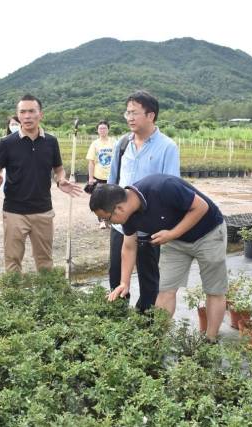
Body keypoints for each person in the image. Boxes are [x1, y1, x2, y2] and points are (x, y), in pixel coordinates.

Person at [90, 176, 227, 339]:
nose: (108, 223)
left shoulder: (163, 188)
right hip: (175, 240)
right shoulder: (128, 216)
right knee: (165, 290)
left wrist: (172, 233)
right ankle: (157, 341)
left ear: (119, 208)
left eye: (107, 218)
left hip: (208, 233)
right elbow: (129, 247)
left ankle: (210, 340)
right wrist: (124, 283)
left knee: (214, 290)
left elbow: (201, 207)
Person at [0, 94, 82, 273]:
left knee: (45, 261)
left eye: (31, 111)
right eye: (23, 112)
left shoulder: (51, 142)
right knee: (12, 261)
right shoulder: (7, 143)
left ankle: (46, 299)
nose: (27, 116)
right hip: (14, 212)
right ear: (18, 115)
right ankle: (13, 299)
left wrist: (61, 180)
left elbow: (59, 169)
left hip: (43, 211)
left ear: (40, 114)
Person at [107, 91, 180, 311]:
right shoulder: (122, 145)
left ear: (151, 115)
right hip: (121, 226)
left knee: (149, 280)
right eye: (127, 112)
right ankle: (117, 317)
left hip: (150, 229)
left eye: (134, 113)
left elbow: (172, 189)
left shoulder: (167, 147)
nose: (129, 117)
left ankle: (145, 326)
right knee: (117, 275)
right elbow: (112, 182)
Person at [86, 120, 114, 229]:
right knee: (99, 200)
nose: (102, 130)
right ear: (97, 130)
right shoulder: (95, 144)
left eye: (104, 128)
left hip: (111, 176)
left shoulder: (113, 142)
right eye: (100, 128)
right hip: (99, 176)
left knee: (111, 199)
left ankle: (110, 220)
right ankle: (101, 220)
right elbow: (91, 162)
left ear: (108, 130)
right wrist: (90, 178)